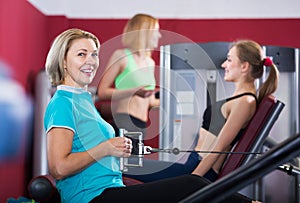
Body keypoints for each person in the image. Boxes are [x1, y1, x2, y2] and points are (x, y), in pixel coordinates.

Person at [44, 28, 258, 203]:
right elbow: (59, 168)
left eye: (94, 54)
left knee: (192, 186)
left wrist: (114, 149)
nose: (91, 61)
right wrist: (106, 148)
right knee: (192, 185)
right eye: (82, 54)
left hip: (111, 187)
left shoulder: (82, 99)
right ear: (63, 61)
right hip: (91, 198)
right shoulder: (63, 103)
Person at [123, 39, 279, 183]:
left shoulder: (245, 101)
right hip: (194, 164)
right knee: (124, 165)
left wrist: (193, 180)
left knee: (124, 167)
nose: (224, 64)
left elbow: (219, 147)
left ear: (244, 66)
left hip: (200, 169)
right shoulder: (240, 99)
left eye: (230, 60)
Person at [96, 13, 160, 138]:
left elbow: (150, 101)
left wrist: (174, 101)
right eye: (156, 31)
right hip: (124, 121)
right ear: (144, 33)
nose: (159, 35)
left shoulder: (150, 62)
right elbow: (102, 92)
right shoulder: (121, 56)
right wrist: (133, 91)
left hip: (142, 124)